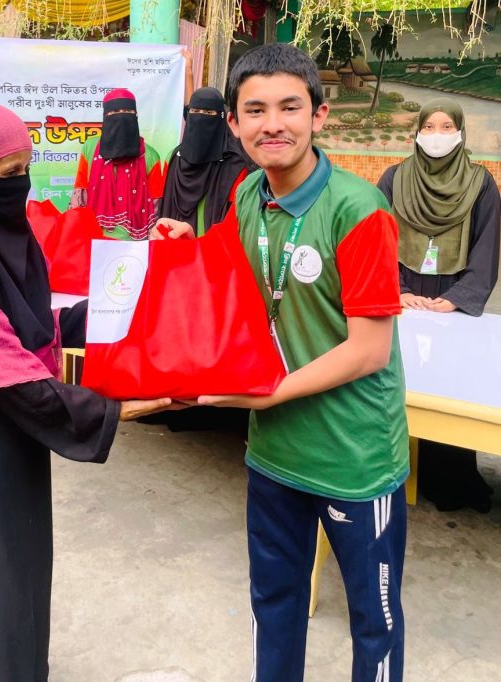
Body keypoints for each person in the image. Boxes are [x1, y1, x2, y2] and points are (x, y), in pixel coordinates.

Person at [153, 44, 409, 682]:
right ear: (233, 124)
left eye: (290, 107)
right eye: (255, 110)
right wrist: (189, 243)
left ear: (319, 115)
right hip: (273, 453)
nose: (274, 124)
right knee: (273, 604)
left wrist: (268, 393)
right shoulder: (247, 193)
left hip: (354, 458)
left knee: (373, 623)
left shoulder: (360, 211)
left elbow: (369, 349)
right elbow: (231, 259)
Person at [0, 99, 175, 682]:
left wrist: (104, 313)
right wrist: (115, 410)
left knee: (22, 570)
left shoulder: (0, 238)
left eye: (25, 170)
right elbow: (11, 380)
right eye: (7, 174)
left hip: (17, 436)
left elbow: (28, 324)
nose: (21, 185)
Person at [378, 99, 500, 513]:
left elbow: (487, 247)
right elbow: (376, 239)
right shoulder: (394, 179)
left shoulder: (481, 184)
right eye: (429, 126)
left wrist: (458, 299)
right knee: (400, 380)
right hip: (403, 291)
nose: (437, 135)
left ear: (460, 131)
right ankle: (397, 466)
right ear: (417, 132)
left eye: (447, 126)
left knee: (450, 381)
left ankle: (449, 477)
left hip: (452, 292)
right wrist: (394, 289)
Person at [69, 88, 163, 240]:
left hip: (135, 242)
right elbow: (80, 193)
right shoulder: (90, 148)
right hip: (95, 236)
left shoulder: (150, 155)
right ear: (105, 116)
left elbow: (156, 204)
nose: (121, 116)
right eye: (115, 112)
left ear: (136, 115)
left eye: (127, 111)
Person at [159, 86, 254, 237]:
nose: (200, 117)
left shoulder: (235, 164)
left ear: (222, 117)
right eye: (195, 111)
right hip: (176, 240)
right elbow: (165, 203)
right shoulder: (175, 157)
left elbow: (236, 217)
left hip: (212, 245)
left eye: (208, 113)